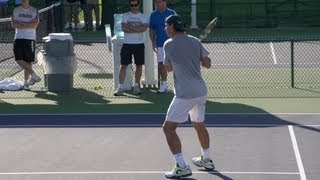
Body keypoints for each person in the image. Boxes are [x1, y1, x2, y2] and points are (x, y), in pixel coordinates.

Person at [162, 14, 215, 179]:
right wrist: (193, 58)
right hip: (200, 92)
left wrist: (183, 60)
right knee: (198, 124)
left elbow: (168, 69)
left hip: (185, 94)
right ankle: (206, 159)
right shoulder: (194, 40)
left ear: (172, 27)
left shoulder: (168, 45)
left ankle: (181, 166)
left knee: (168, 128)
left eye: (166, 25)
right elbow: (208, 64)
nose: (165, 28)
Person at [114, 0, 148, 96]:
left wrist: (131, 27)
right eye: (131, 5)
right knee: (123, 65)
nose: (133, 7)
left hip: (139, 44)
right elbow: (124, 29)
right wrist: (137, 28)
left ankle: (136, 86)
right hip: (127, 44)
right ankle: (120, 87)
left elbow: (143, 29)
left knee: (139, 65)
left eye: (135, 5)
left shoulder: (143, 16)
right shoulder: (125, 15)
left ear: (139, 5)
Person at [11, 0, 41, 91]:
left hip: (30, 38)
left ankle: (26, 83)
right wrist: (28, 24)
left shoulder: (34, 10)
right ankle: (34, 76)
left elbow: (35, 25)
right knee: (18, 59)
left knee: (28, 61)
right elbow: (13, 25)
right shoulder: (16, 10)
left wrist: (21, 23)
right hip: (18, 38)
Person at [149, 0, 175, 93]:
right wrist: (153, 42)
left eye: (160, 2)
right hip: (160, 45)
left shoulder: (172, 13)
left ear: (165, 2)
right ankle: (164, 85)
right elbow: (151, 30)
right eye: (156, 2)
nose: (158, 4)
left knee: (176, 65)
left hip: (172, 44)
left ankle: (179, 85)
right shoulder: (153, 15)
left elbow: (177, 28)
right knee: (161, 65)